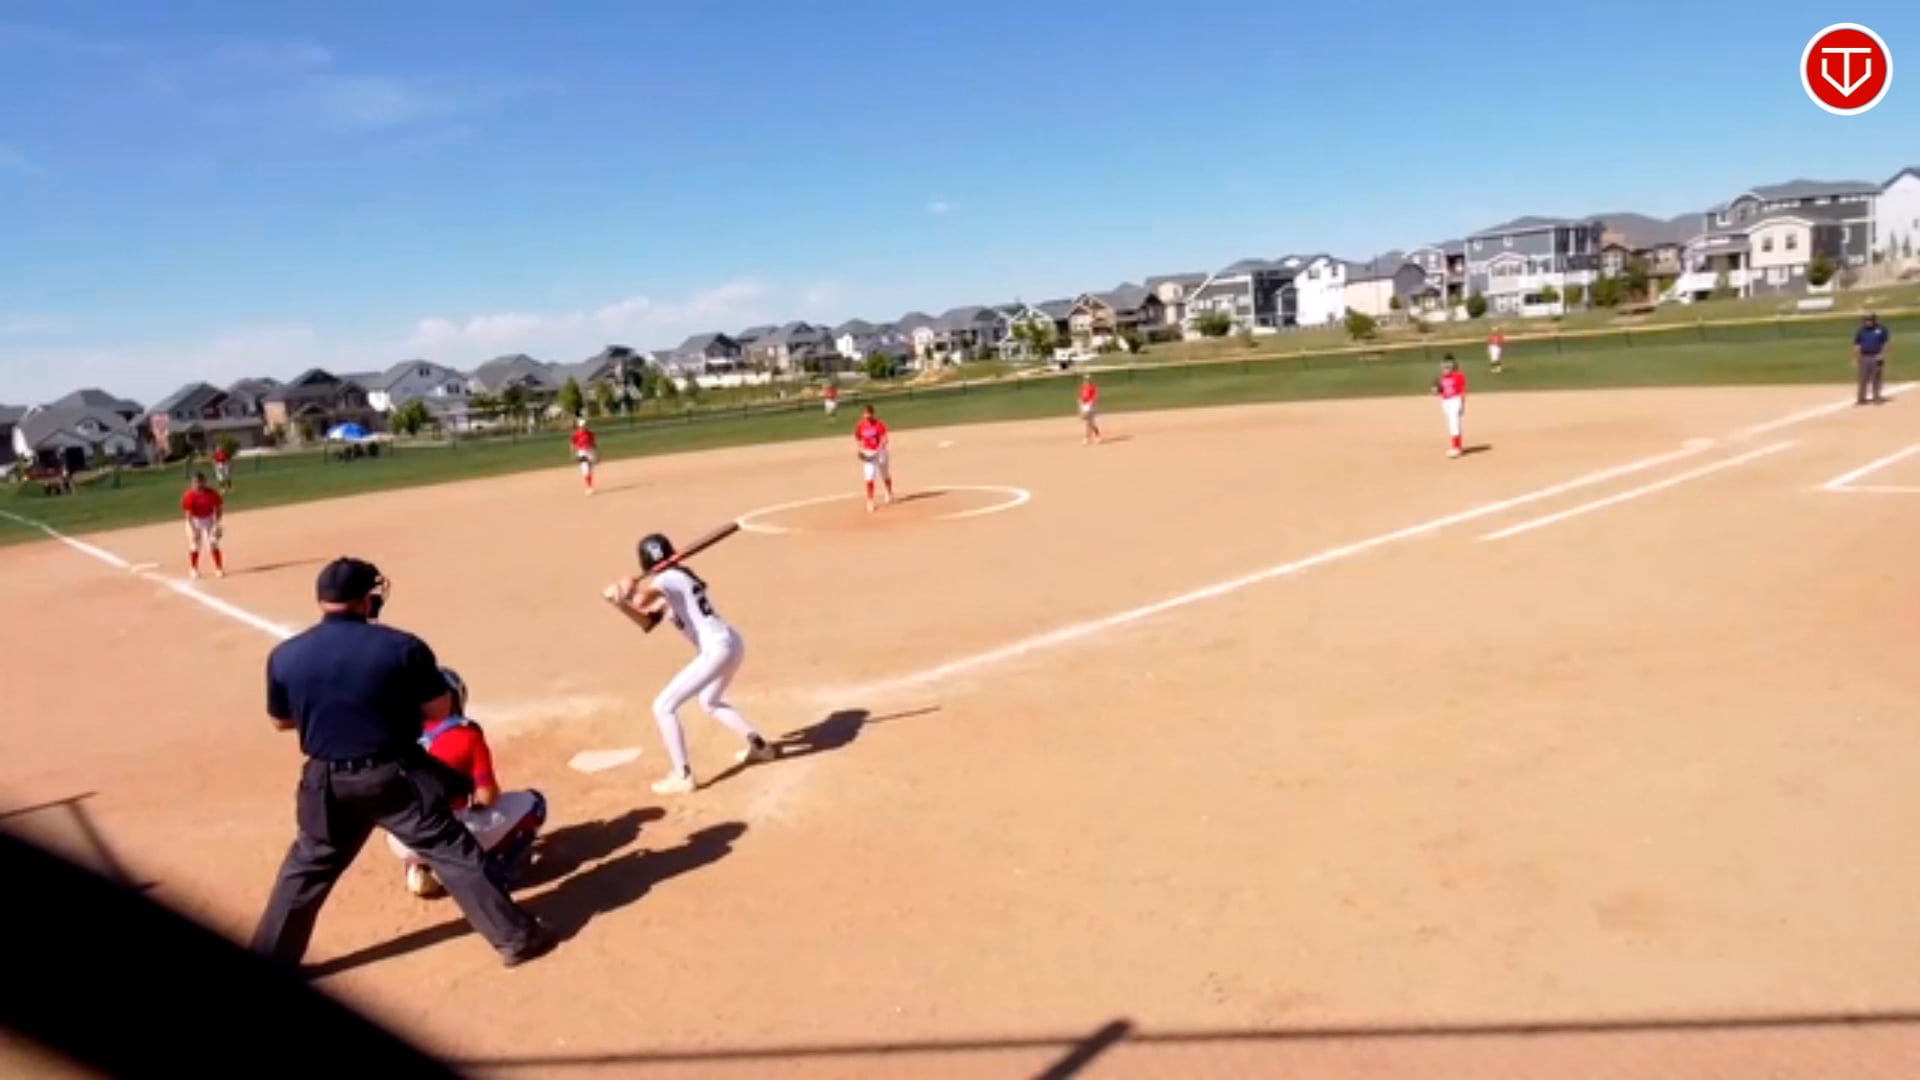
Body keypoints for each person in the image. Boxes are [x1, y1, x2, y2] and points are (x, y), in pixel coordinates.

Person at [250, 558, 557, 969]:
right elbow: (439, 709)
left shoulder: (285, 655)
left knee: (307, 866)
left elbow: (281, 721)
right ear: (365, 600)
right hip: (391, 773)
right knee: (450, 849)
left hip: (325, 780)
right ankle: (516, 937)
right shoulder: (401, 647)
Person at [603, 533, 774, 795]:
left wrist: (628, 588)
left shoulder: (666, 579)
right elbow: (647, 621)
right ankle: (760, 747)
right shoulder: (677, 578)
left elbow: (641, 600)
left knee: (663, 706)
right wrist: (620, 602)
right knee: (709, 701)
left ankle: (682, 775)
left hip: (716, 649)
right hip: (730, 643)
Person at [386, 667, 547, 899]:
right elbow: (487, 796)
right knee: (535, 803)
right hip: (447, 832)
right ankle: (496, 872)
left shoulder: (396, 735)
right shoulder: (465, 734)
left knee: (415, 808)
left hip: (399, 835)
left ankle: (418, 866)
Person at [180, 471, 226, 579]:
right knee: (195, 545)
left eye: (201, 482)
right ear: (192, 484)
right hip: (194, 520)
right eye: (196, 482)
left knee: (213, 544)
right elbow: (188, 515)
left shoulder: (212, 493)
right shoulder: (189, 496)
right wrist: (193, 530)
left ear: (205, 482)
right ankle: (193, 569)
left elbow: (218, 509)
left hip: (209, 519)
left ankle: (219, 568)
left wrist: (217, 524)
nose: (199, 485)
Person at [853, 404, 894, 512]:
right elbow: (858, 438)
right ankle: (870, 500)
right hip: (868, 454)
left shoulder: (879, 424)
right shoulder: (860, 426)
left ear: (873, 413)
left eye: (869, 413)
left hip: (880, 452)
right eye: (865, 414)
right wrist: (860, 449)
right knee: (869, 476)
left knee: (885, 474)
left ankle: (888, 492)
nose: (867, 416)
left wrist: (879, 449)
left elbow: (885, 438)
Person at [1434, 354, 1468, 459]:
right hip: (1445, 401)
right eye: (1444, 365)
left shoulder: (1458, 375)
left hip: (1455, 400)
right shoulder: (1441, 377)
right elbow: (1439, 391)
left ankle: (1456, 448)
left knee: (1454, 422)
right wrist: (1436, 390)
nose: (1445, 367)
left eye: (1448, 365)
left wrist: (1462, 404)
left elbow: (1462, 391)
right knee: (1451, 423)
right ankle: (1458, 446)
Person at [1855, 311, 1891, 406]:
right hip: (1864, 356)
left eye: (1870, 319)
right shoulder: (1861, 331)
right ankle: (1861, 398)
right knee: (1862, 379)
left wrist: (1882, 354)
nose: (1868, 322)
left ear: (1874, 320)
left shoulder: (1881, 330)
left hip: (1876, 356)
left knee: (1876, 378)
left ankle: (1876, 397)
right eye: (1866, 320)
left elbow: (1885, 343)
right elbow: (1857, 344)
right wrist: (1857, 357)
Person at [570, 417, 598, 495]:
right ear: (579, 426)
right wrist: (572, 453)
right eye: (582, 425)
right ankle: (589, 487)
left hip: (590, 451)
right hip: (581, 452)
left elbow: (593, 443)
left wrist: (596, 453)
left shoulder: (590, 433)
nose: (584, 426)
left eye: (585, 425)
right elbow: (572, 443)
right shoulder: (576, 434)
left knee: (590, 469)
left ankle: (590, 486)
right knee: (585, 468)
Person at [1078, 374, 1103, 445]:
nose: (1087, 381)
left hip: (1090, 404)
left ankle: (1087, 438)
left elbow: (1095, 397)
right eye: (1086, 379)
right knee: (1091, 423)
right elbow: (1080, 397)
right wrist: (1080, 408)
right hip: (1084, 405)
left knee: (1088, 422)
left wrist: (1092, 404)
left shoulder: (1092, 387)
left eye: (1088, 379)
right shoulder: (1082, 387)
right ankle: (1097, 435)